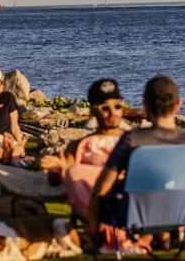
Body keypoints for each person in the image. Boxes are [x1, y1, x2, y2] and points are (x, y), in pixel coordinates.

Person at [88, 76, 185, 238]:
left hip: (136, 217)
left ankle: (93, 242)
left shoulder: (132, 140)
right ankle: (168, 236)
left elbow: (102, 188)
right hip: (183, 214)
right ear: (178, 105)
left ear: (145, 107)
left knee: (98, 197)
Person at [40, 79, 127, 220]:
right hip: (96, 207)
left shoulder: (133, 140)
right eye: (105, 108)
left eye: (118, 106)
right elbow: (58, 179)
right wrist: (57, 169)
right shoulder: (80, 146)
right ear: (93, 111)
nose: (113, 113)